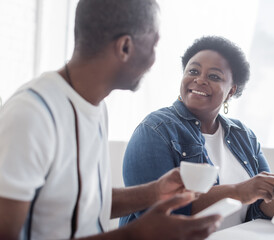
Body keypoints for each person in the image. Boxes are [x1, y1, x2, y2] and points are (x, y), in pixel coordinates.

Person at [0, 1, 221, 239]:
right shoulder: (31, 115)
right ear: (125, 47)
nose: (154, 59)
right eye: (154, 44)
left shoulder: (96, 106)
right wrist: (134, 235)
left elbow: (83, 203)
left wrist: (155, 192)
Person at [120, 36, 274, 228]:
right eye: (193, 71)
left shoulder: (244, 135)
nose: (200, 80)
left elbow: (259, 203)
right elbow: (159, 214)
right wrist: (239, 192)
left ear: (231, 90)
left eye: (214, 76)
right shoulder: (155, 129)